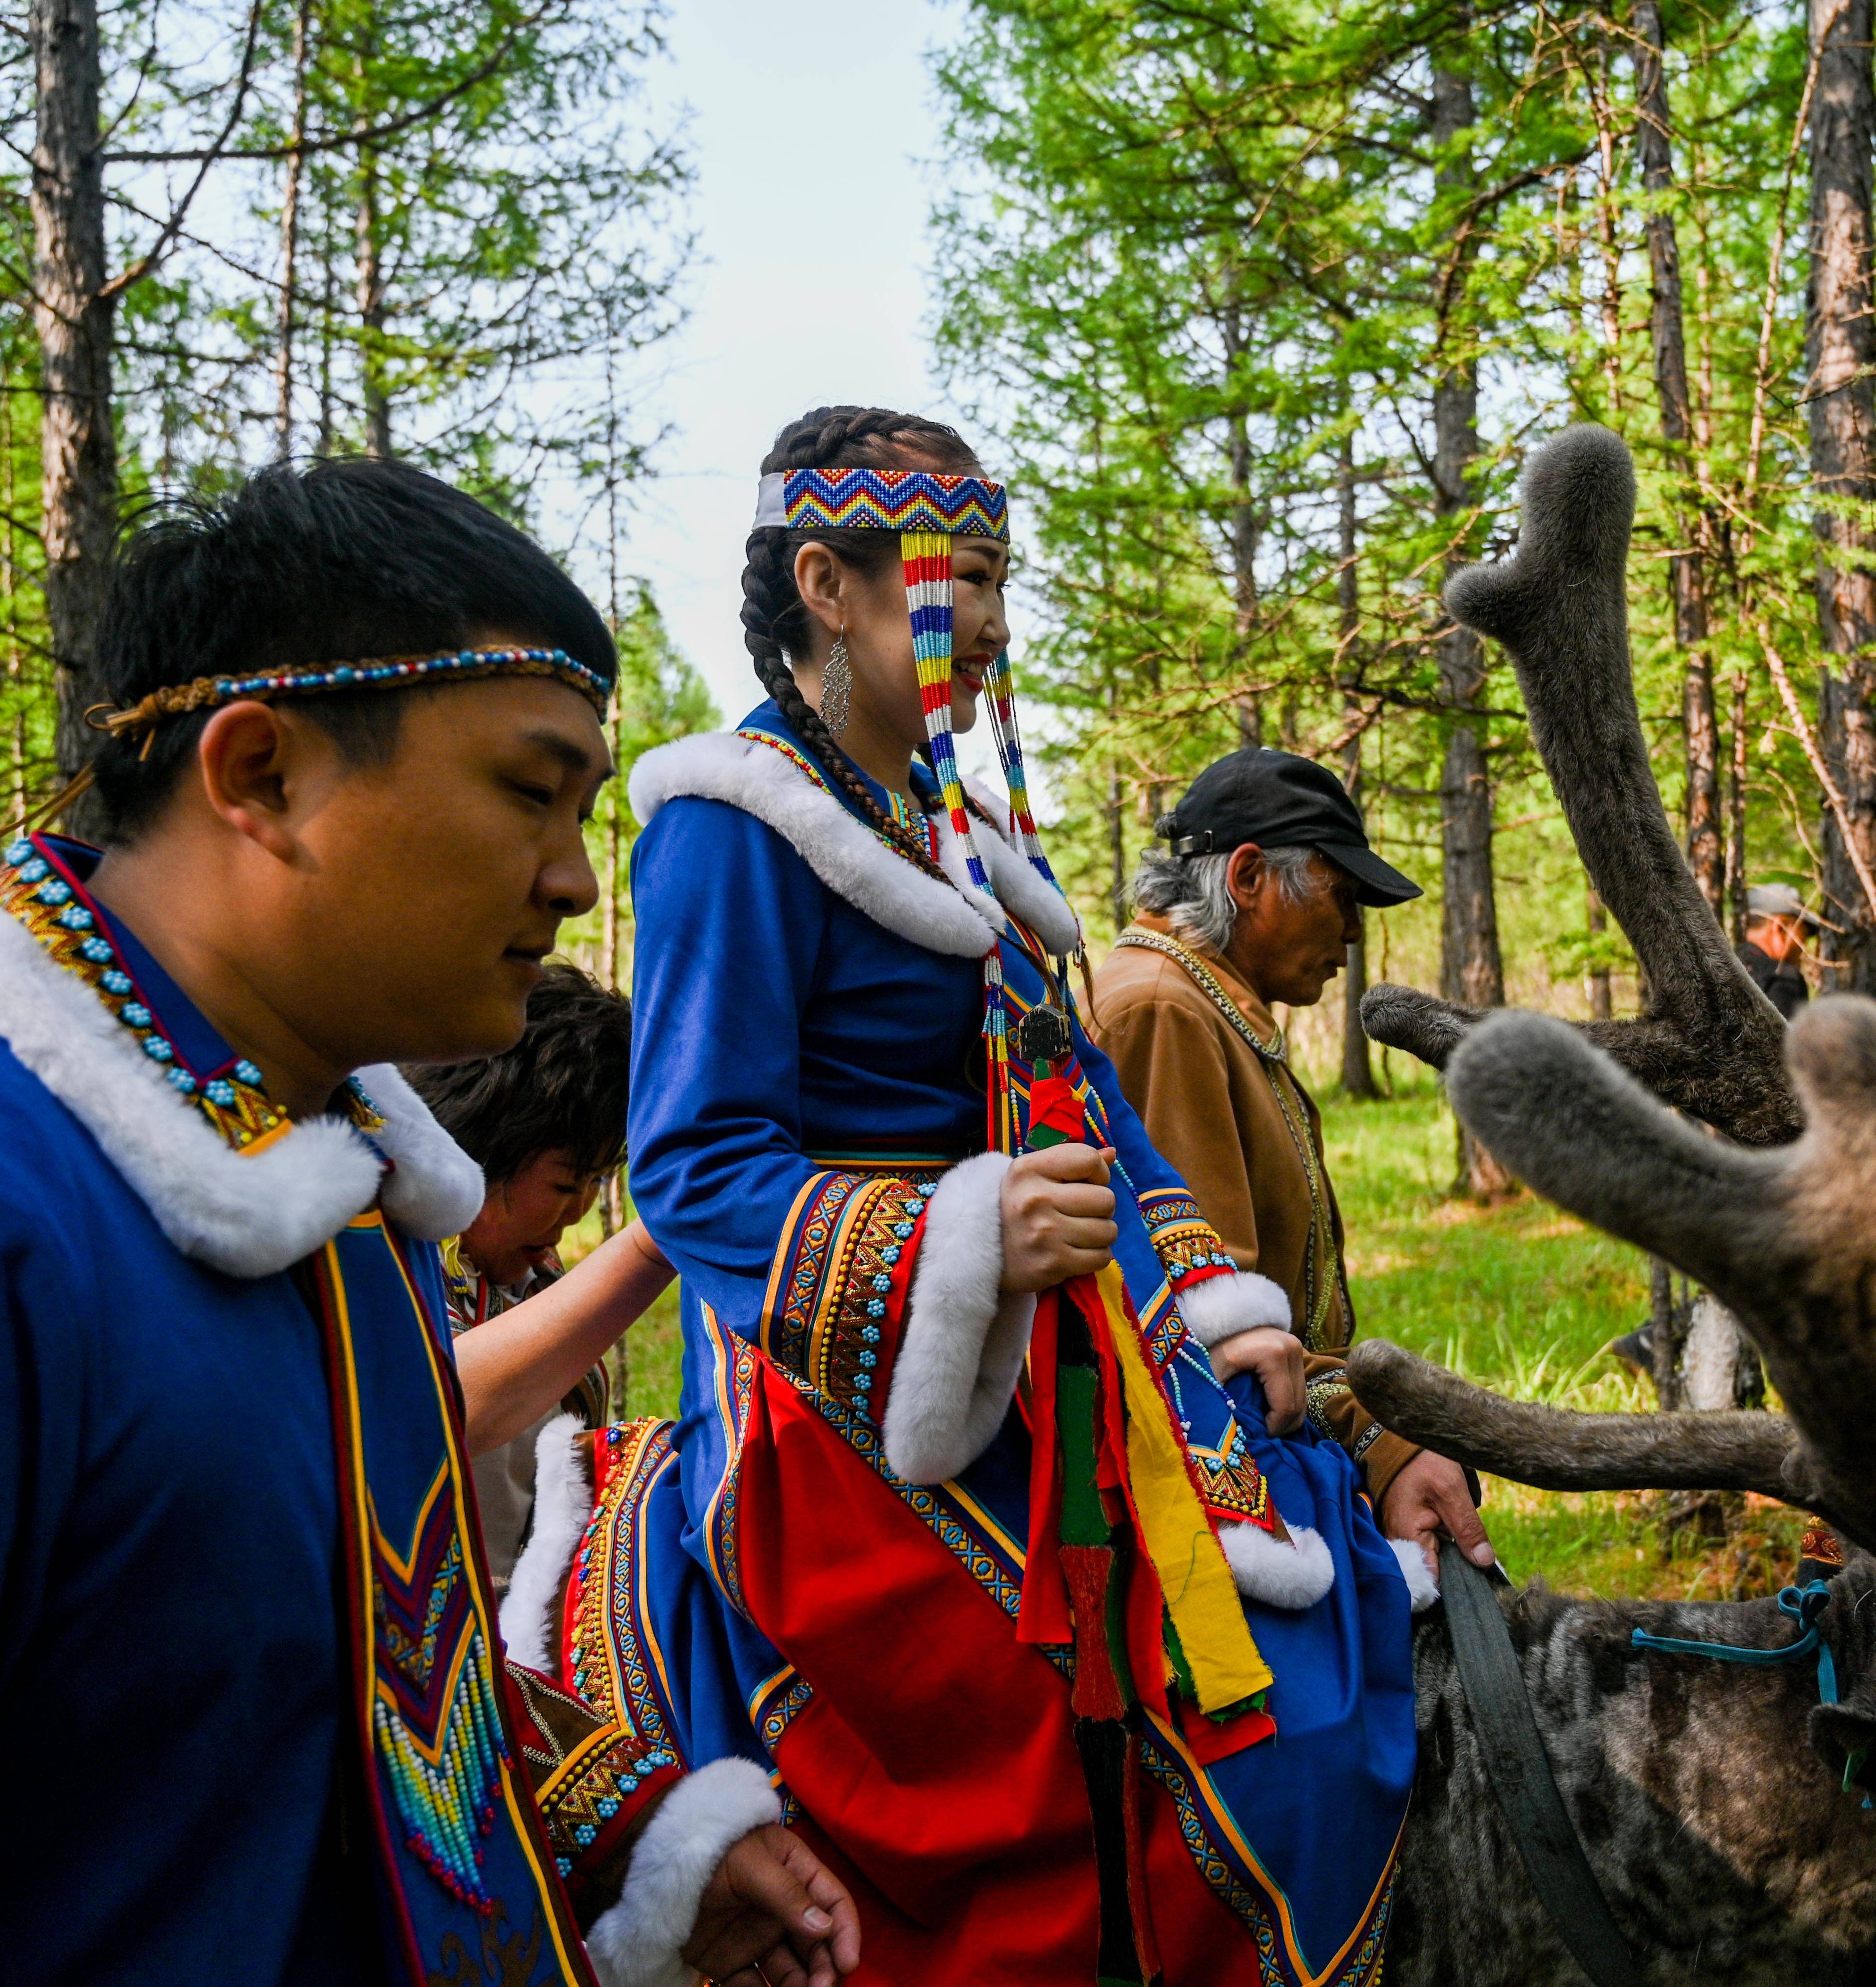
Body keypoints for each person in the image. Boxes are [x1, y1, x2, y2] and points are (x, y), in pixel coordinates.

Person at [0, 458, 850, 1987]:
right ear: (259, 776)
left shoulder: (336, 1190)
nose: (577, 879)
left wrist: (632, 1831)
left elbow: (334, 1665)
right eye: (530, 791)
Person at [530, 405, 1417, 1987]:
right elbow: (691, 1169)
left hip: (1066, 1355)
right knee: (1108, 1732)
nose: (998, 627)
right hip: (843, 1396)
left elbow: (1079, 1100)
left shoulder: (961, 840)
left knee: (1307, 1592)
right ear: (828, 583)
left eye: (1004, 582)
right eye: (967, 582)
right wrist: (962, 1240)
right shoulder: (729, 828)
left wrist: (1221, 1309)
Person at [1086, 746, 1494, 1577]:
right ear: (1245, 876)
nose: (1351, 930)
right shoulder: (1165, 1011)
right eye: (1340, 896)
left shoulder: (1201, 1003)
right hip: (1231, 1513)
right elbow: (1215, 1335)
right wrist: (1380, 1449)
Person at [408, 960, 677, 1590]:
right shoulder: (389, 1259)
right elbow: (447, 1400)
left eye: (595, 1180)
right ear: (485, 1139)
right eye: (564, 1181)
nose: (579, 1208)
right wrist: (656, 1243)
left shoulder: (532, 1279)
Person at [1740, 882, 1811, 1018]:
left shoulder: (1719, 966)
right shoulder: (1783, 979)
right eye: (1805, 932)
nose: (1804, 944)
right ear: (1780, 927)